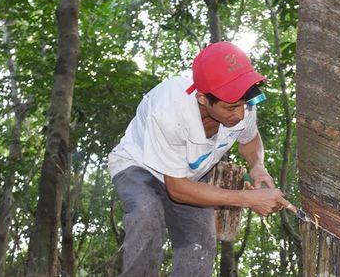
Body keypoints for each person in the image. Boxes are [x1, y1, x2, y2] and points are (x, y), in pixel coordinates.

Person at [108, 41, 288, 277]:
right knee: (146, 214)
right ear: (203, 98)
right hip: (140, 166)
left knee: (200, 242)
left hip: (189, 177)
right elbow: (178, 190)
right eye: (231, 107)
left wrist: (257, 167)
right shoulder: (168, 111)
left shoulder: (243, 106)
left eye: (245, 104)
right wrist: (248, 198)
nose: (241, 113)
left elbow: (250, 140)